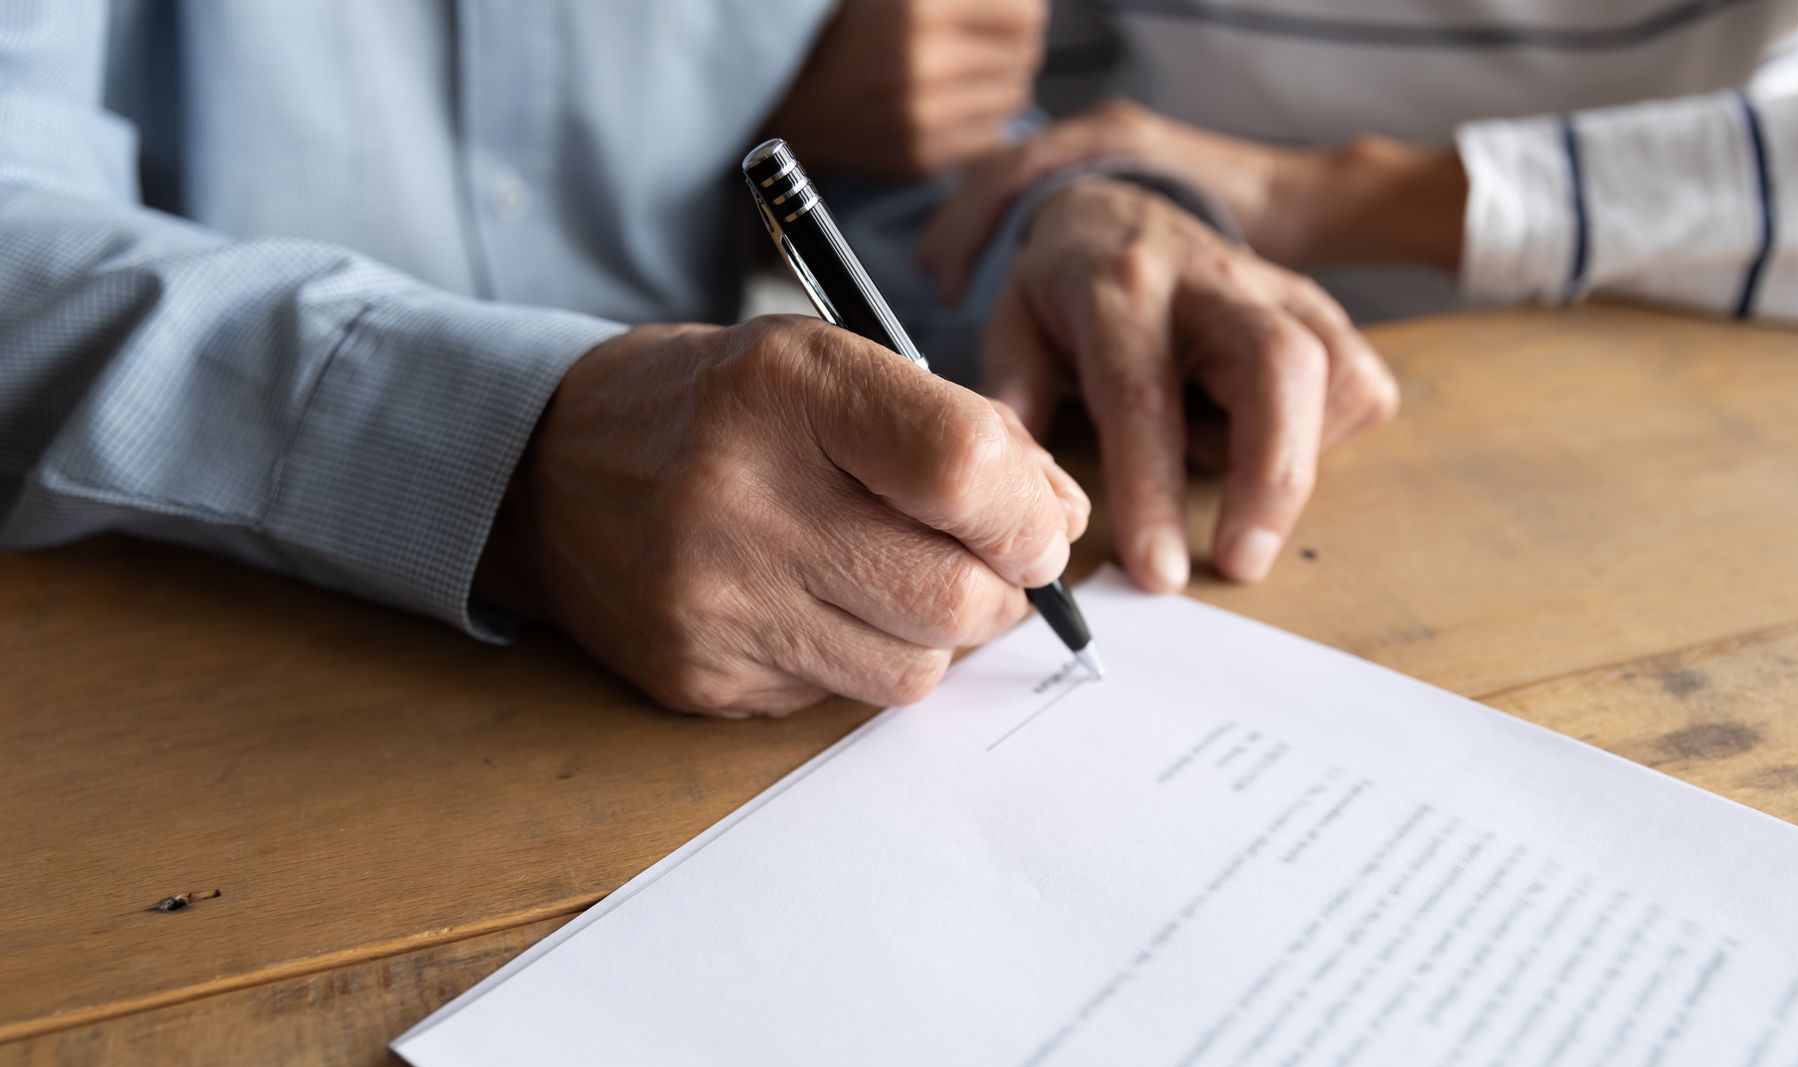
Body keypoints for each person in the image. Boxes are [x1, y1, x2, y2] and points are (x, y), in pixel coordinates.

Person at [0, 1, 1396, 717]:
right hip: (159, 686)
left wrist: (1050, 219)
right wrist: (515, 449)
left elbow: (878, 171)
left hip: (740, 656)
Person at [920, 0, 1798, 330]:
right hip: (1181, 372)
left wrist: (1325, 198)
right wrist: (1077, 203)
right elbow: (999, 120)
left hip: (1720, 357)